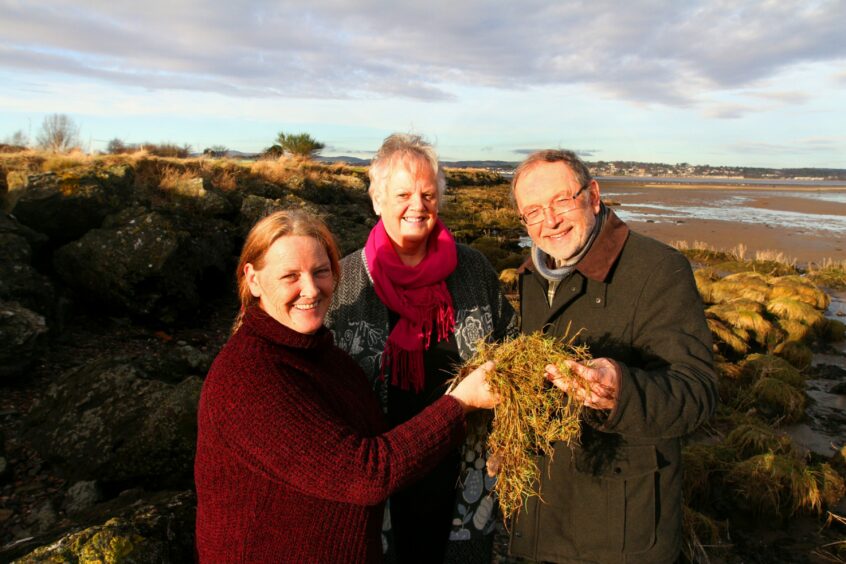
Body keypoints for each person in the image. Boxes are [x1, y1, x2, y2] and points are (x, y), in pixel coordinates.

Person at [194, 210, 499, 563]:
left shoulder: (326, 357)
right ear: (254, 278)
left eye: (321, 272)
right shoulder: (247, 377)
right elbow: (366, 473)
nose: (311, 289)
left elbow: (375, 443)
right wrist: (460, 403)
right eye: (290, 276)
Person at [508, 150, 718, 564]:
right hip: (542, 520)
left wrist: (620, 392)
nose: (549, 221)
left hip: (622, 531)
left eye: (561, 201)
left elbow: (698, 392)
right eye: (533, 211)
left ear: (594, 195)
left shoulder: (658, 269)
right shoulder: (532, 276)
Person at [326, 133, 517, 563]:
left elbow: (510, 346)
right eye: (403, 194)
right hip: (379, 477)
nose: (418, 205)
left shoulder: (473, 269)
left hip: (462, 474)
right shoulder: (346, 281)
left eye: (428, 193)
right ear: (376, 200)